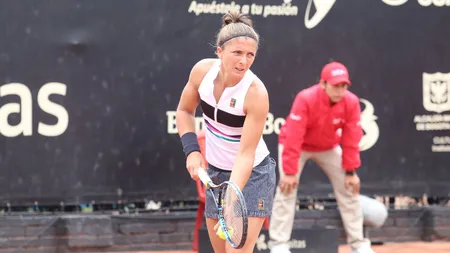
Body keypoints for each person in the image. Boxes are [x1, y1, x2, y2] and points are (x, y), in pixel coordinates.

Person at [176, 11, 276, 253]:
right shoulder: (201, 73)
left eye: (250, 54)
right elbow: (185, 111)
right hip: (216, 174)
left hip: (252, 176)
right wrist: (192, 151)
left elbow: (245, 154)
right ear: (219, 51)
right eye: (237, 53)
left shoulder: (256, 93)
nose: (244, 61)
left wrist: (232, 196)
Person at [268, 62, 377, 253]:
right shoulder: (306, 98)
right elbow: (294, 136)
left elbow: (352, 138)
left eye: (343, 86)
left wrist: (351, 172)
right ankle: (279, 245)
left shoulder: (351, 102)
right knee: (287, 189)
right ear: (323, 84)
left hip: (328, 147)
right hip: (297, 146)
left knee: (349, 188)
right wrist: (290, 172)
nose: (340, 90)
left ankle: (359, 245)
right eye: (335, 85)